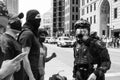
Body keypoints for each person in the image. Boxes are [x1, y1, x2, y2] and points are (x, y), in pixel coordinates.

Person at [18, 9, 41, 80]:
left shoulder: (32, 33)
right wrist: (31, 77)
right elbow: (24, 57)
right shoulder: (27, 34)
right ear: (31, 18)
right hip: (27, 76)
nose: (39, 20)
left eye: (40, 18)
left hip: (33, 72)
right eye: (37, 17)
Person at [0, 12, 24, 80]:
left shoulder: (13, 40)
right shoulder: (6, 41)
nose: (19, 21)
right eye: (15, 19)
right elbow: (5, 68)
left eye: (19, 19)